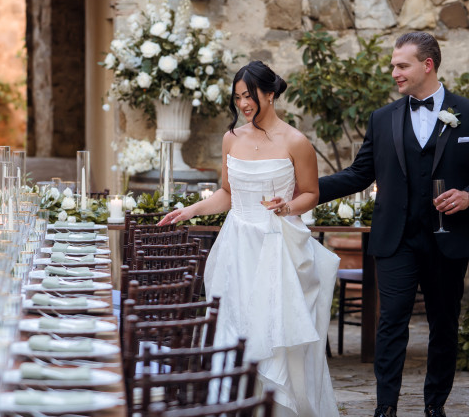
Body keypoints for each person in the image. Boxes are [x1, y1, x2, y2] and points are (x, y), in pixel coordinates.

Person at [159, 60, 340, 417]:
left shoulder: (296, 141)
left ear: (270, 94)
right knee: (233, 325)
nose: (243, 104)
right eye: (238, 97)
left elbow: (311, 193)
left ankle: (275, 406)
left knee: (272, 328)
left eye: (250, 95)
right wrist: (191, 210)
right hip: (237, 248)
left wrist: (287, 207)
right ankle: (233, 406)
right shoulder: (231, 138)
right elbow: (227, 193)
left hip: (277, 246)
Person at [318, 32, 469, 417]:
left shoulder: (467, 112)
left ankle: (435, 405)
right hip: (396, 239)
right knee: (392, 322)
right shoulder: (382, 118)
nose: (394, 73)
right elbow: (358, 174)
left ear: (427, 65)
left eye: (402, 65)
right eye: (392, 66)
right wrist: (304, 188)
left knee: (444, 325)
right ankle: (385, 407)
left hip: (447, 237)